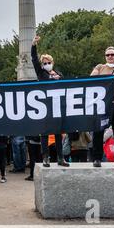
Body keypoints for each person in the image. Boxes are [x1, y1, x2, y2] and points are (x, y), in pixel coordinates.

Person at [31, 36, 69, 167]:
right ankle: (45, 157)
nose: (47, 64)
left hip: (58, 106)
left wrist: (59, 78)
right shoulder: (41, 73)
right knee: (45, 133)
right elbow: (34, 60)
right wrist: (33, 45)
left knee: (58, 133)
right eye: (44, 63)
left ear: (52, 62)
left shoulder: (59, 73)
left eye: (49, 62)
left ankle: (60, 157)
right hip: (45, 106)